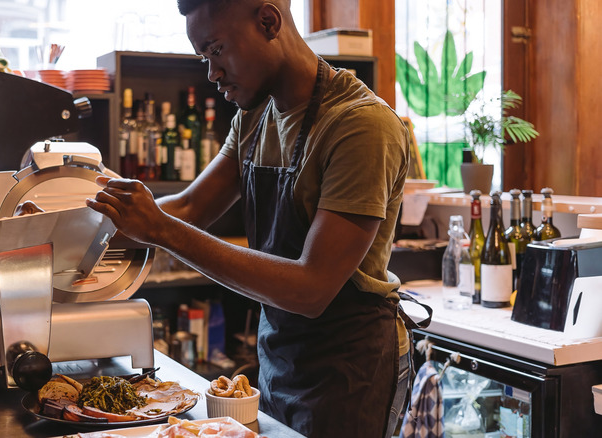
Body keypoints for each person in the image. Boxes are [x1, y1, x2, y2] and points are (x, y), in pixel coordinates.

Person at [86, 1, 426, 436]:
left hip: (349, 369)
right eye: (203, 57)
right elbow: (191, 208)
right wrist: (86, 229)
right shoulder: (254, 116)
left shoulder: (360, 126)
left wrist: (160, 229)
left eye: (216, 50)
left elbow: (311, 288)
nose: (211, 73)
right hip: (280, 354)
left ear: (268, 22)